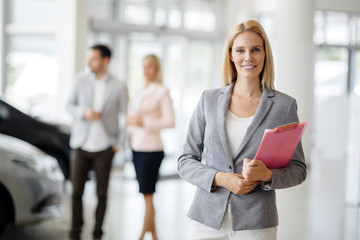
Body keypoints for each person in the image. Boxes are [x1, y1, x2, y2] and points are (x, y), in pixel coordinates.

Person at [178, 19, 307, 240]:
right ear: (231, 55)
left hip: (256, 222)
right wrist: (220, 178)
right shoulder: (208, 100)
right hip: (206, 220)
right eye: (240, 50)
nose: (248, 57)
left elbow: (298, 169)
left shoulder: (284, 106)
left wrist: (266, 175)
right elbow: (185, 160)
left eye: (255, 49)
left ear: (265, 54)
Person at [67, 44, 128, 240]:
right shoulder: (80, 80)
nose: (89, 63)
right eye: (89, 59)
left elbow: (125, 117)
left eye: (93, 59)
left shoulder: (119, 86)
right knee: (76, 192)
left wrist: (119, 143)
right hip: (80, 144)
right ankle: (75, 232)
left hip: (105, 147)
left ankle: (97, 233)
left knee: (102, 193)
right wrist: (83, 112)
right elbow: (69, 105)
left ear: (105, 60)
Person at [126, 54, 175, 240]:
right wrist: (131, 121)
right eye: (144, 66)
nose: (146, 71)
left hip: (152, 149)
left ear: (157, 69)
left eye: (150, 67)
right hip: (136, 147)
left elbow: (170, 121)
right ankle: (154, 235)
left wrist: (144, 121)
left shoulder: (162, 91)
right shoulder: (140, 91)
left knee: (148, 194)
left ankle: (141, 235)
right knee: (147, 195)